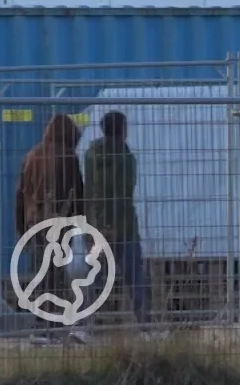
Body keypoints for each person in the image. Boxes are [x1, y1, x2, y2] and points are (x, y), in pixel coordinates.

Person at [15, 114, 85, 333]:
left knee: (41, 273)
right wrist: (81, 223)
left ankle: (41, 323)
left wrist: (21, 228)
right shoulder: (68, 158)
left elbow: (20, 195)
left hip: (34, 224)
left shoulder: (31, 156)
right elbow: (78, 194)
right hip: (59, 225)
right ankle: (54, 323)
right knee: (57, 276)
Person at [84, 111, 147, 323]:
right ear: (122, 129)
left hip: (96, 228)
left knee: (94, 277)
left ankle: (83, 325)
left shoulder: (91, 156)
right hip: (124, 227)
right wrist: (114, 224)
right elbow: (125, 192)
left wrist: (99, 225)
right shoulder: (126, 158)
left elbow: (91, 191)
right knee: (134, 277)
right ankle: (144, 323)